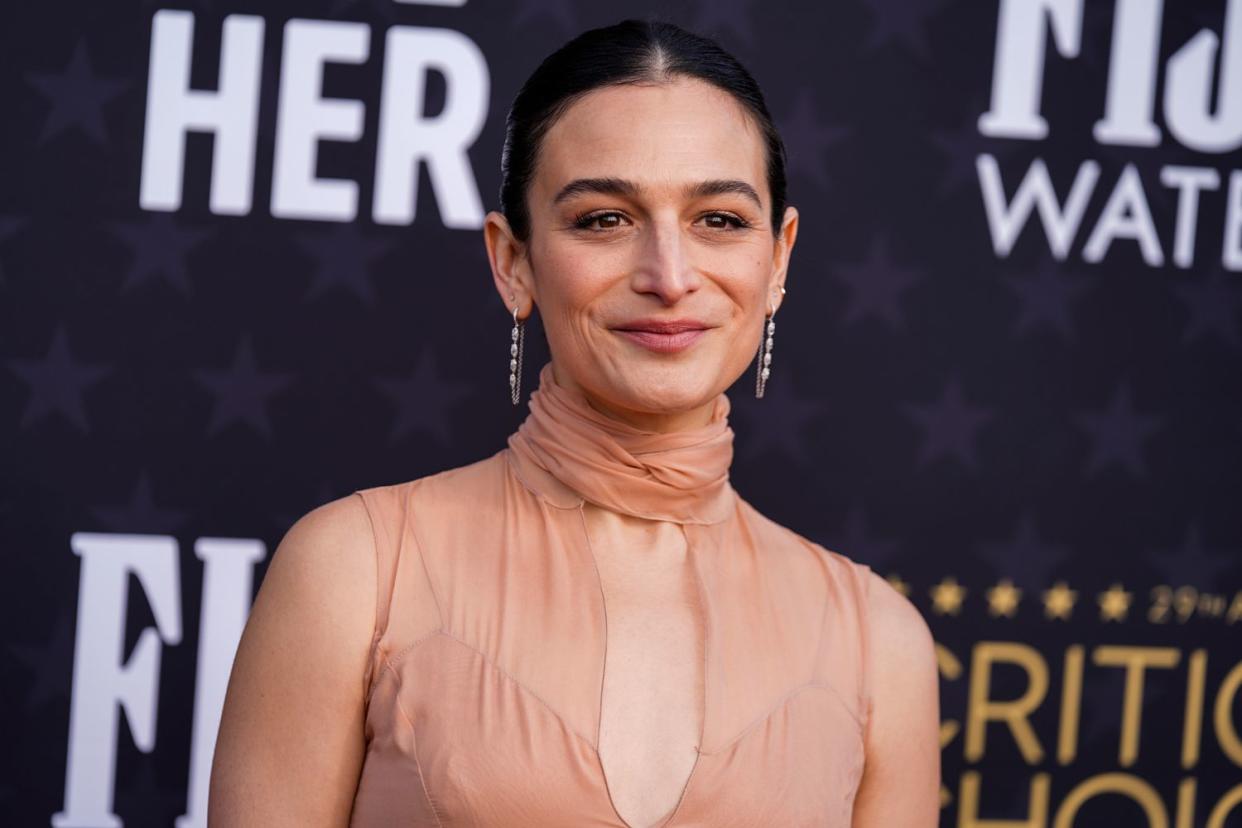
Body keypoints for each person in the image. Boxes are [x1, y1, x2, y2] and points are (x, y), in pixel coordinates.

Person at [207, 17, 940, 828]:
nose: (669, 275)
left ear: (779, 260)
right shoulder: (354, 570)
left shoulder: (880, 642)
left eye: (719, 221)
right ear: (512, 261)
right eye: (604, 219)